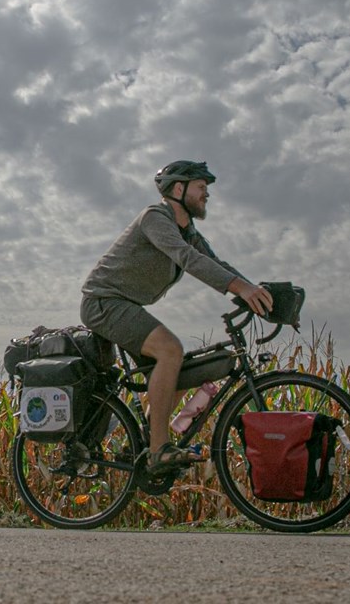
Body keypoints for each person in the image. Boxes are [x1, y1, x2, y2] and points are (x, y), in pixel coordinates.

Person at [80, 161, 272, 473]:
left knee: (177, 368)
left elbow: (215, 262)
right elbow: (188, 259)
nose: (206, 194)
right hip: (103, 302)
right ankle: (159, 450)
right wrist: (241, 289)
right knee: (170, 349)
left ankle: (140, 444)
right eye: (201, 187)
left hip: (125, 305)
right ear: (178, 189)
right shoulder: (155, 218)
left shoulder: (189, 231)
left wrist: (256, 294)